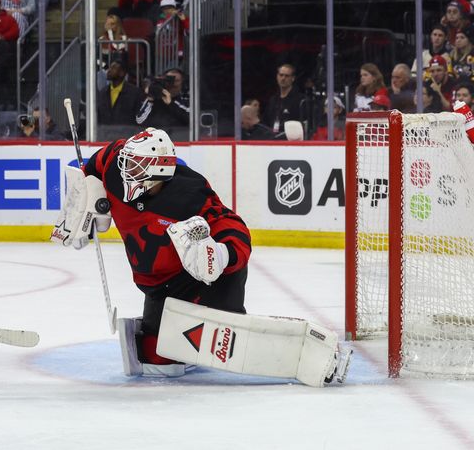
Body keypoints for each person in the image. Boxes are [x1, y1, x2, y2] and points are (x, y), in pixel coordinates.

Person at [50, 128, 349, 385]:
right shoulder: (117, 163)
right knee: (156, 365)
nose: (128, 171)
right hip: (158, 287)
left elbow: (234, 228)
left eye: (138, 167)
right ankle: (185, 344)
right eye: (129, 162)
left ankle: (294, 347)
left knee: (225, 339)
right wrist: (87, 201)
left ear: (161, 171)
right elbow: (94, 165)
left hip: (202, 281)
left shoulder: (190, 193)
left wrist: (220, 256)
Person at [97, 60, 142, 125]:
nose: (109, 70)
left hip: (127, 133)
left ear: (122, 73)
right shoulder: (103, 92)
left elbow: (138, 117)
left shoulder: (134, 93)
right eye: (110, 68)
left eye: (113, 68)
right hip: (105, 132)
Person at [262, 64, 303, 133]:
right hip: (272, 139)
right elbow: (266, 121)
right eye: (281, 75)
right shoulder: (273, 100)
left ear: (293, 78)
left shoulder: (300, 100)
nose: (283, 78)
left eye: (286, 76)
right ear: (277, 77)